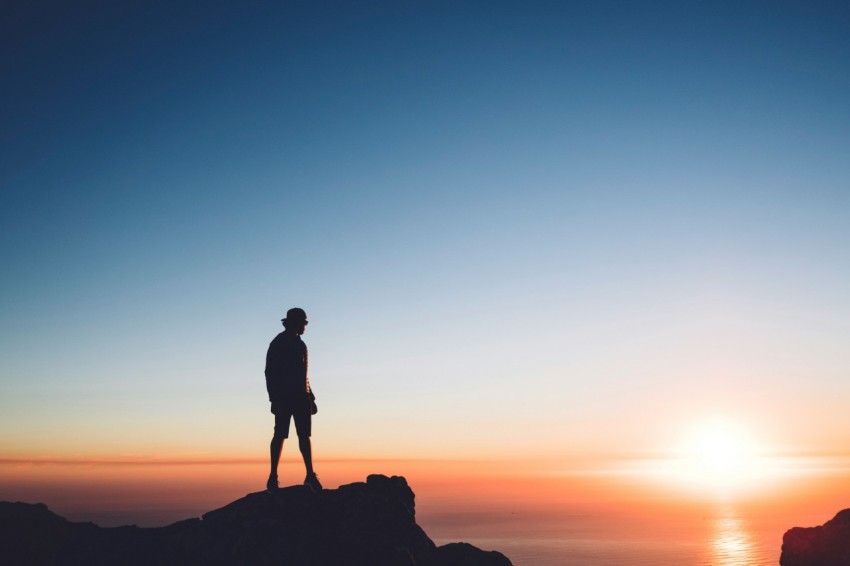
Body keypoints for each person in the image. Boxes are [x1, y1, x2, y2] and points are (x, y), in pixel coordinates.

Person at [265, 307, 322, 492]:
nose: (305, 326)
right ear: (294, 323)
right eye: (303, 322)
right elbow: (270, 372)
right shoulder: (279, 342)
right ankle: (273, 477)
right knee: (280, 435)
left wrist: (310, 397)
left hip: (301, 397)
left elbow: (303, 374)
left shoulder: (301, 344)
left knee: (304, 436)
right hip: (284, 397)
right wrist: (274, 399)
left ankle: (310, 475)